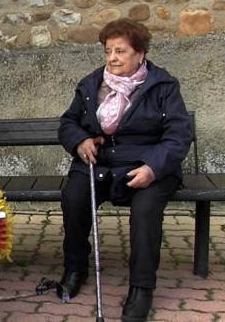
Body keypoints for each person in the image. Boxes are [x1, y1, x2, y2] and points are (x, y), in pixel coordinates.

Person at [57, 18, 193, 322]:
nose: (112, 58)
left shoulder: (162, 86)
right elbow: (68, 123)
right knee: (74, 196)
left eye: (121, 51)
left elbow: (178, 134)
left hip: (147, 166)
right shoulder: (92, 84)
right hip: (101, 163)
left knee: (145, 210)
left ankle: (142, 287)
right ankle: (75, 267)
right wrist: (79, 141)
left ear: (140, 53)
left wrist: (153, 168)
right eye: (108, 51)